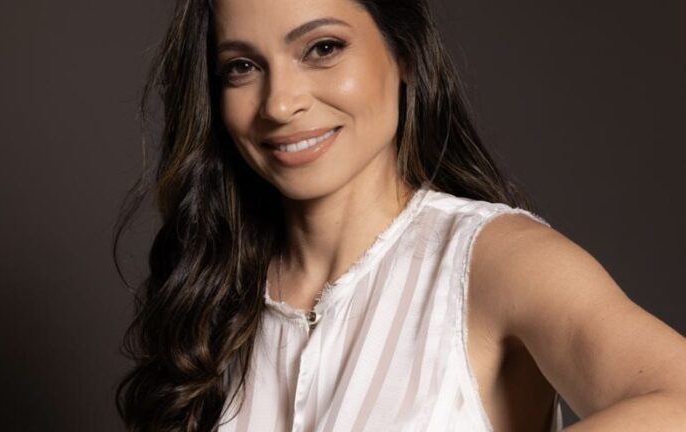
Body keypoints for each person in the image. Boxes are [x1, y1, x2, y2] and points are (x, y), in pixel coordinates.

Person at [113, 0, 686, 430]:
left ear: (404, 52)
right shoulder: (212, 300)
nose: (281, 103)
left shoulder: (494, 261)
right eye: (242, 66)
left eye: (322, 48)